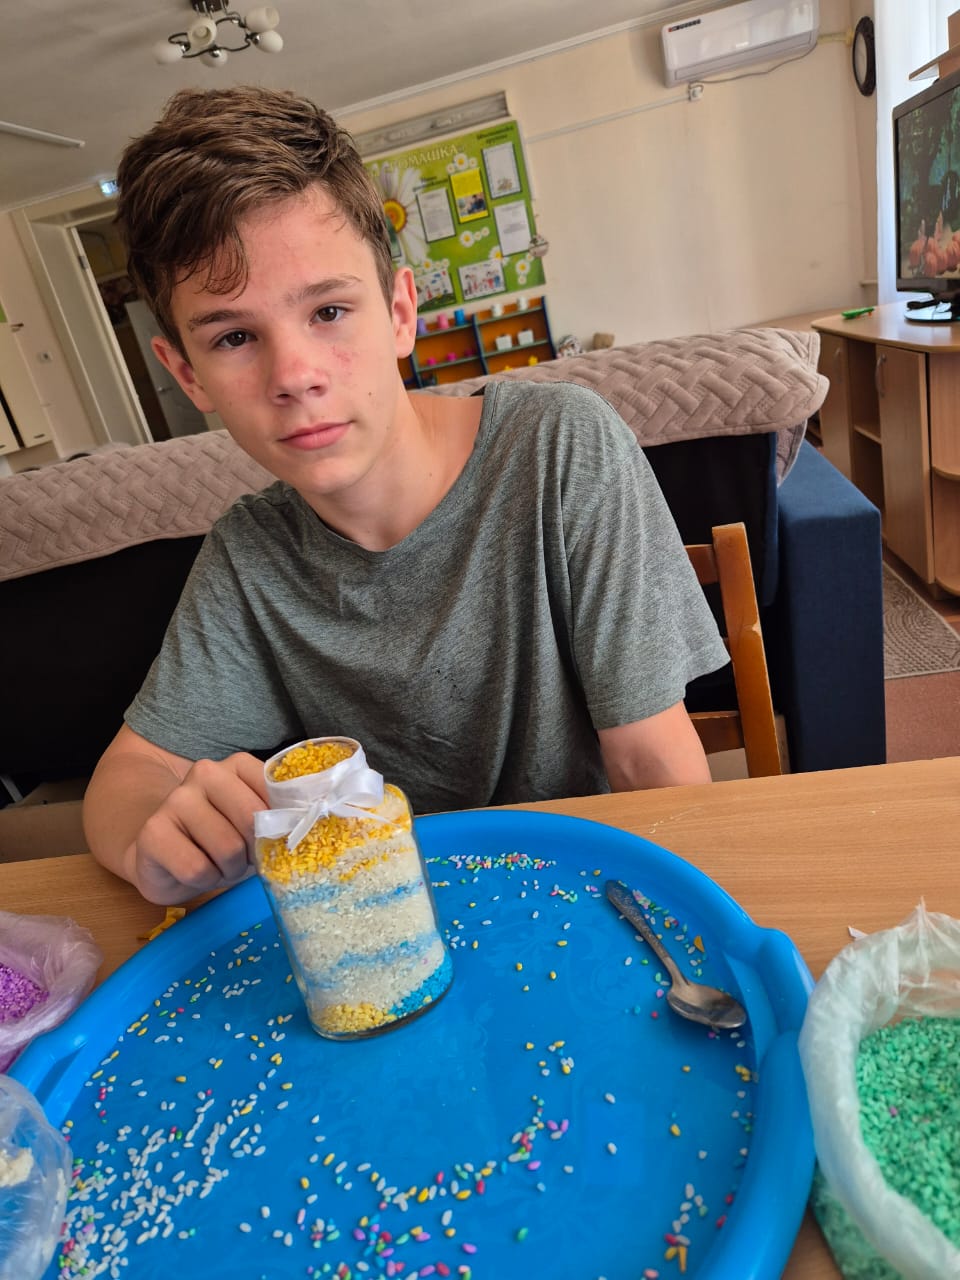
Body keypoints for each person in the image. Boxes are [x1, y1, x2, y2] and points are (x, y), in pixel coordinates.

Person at [83, 86, 729, 906]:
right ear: (187, 373)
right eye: (235, 336)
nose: (295, 376)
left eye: (329, 310)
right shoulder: (249, 555)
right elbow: (129, 776)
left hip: (591, 892)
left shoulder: (561, 445)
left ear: (398, 312)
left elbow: (651, 763)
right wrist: (155, 840)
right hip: (390, 919)